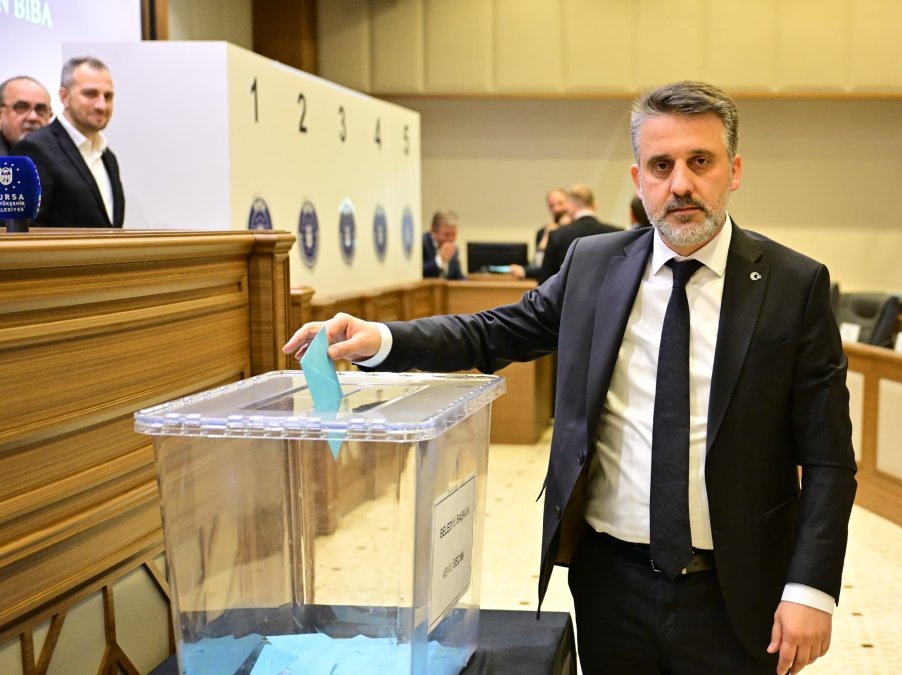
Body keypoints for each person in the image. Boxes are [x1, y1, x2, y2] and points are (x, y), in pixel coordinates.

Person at [284, 80, 856, 675]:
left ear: (733, 171)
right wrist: (383, 339)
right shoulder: (593, 266)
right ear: (638, 180)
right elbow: (491, 332)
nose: (680, 184)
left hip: (738, 590)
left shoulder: (795, 285)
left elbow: (829, 459)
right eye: (660, 165)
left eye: (699, 162)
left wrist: (810, 589)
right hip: (611, 584)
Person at [12, 57, 124, 228]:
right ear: (64, 97)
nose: (102, 105)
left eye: (108, 96)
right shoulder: (35, 149)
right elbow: (27, 232)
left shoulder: (108, 156)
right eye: (90, 94)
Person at [536, 184, 621, 284]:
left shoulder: (557, 235)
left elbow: (546, 281)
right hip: (609, 298)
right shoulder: (618, 233)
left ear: (570, 206)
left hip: (569, 298)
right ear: (594, 205)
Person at [510, 187, 572, 280]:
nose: (556, 209)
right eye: (551, 206)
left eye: (560, 203)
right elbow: (539, 265)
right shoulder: (543, 232)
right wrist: (546, 238)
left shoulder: (577, 230)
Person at [0, 76, 52, 155]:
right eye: (21, 107)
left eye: (40, 109)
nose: (33, 117)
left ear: (50, 116)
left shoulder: (63, 158)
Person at [422, 210, 464, 279]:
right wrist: (440, 260)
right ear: (433, 230)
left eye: (453, 234)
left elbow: (459, 277)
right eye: (446, 234)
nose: (451, 239)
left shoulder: (454, 250)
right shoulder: (422, 244)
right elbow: (419, 272)